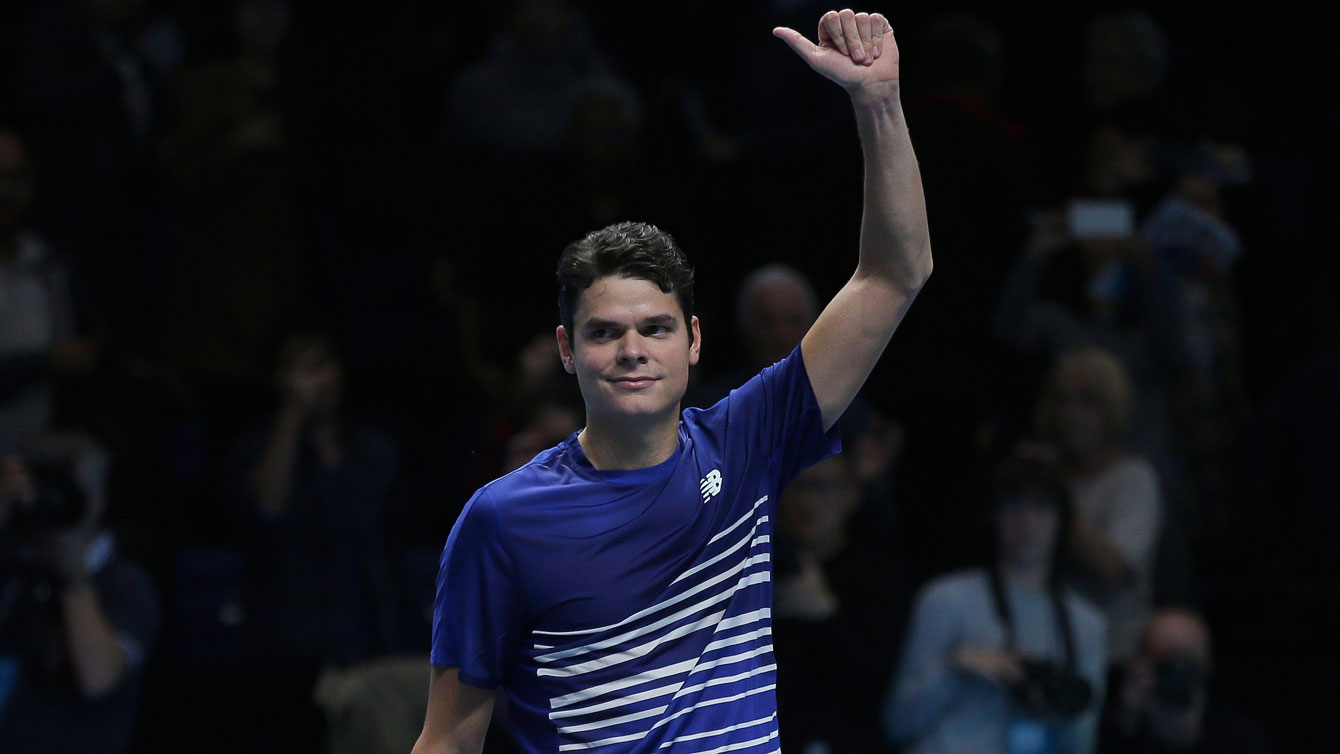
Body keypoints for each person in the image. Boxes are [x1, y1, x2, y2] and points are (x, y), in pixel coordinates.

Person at [415, 9, 933, 754]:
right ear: (567, 349)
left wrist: (879, 103)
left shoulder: (748, 439)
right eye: (604, 332)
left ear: (693, 342)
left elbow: (894, 274)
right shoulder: (502, 521)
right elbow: (447, 741)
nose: (632, 350)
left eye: (655, 329)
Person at [883, 450, 1107, 754]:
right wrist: (959, 669)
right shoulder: (945, 598)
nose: (1026, 521)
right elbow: (898, 723)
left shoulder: (1086, 623)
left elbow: (1083, 745)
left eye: (1041, 507)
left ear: (1061, 520)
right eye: (1013, 506)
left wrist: (1056, 707)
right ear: (993, 517)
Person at [0, 433, 160, 754]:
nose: (50, 499)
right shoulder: (15, 570)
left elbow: (99, 679)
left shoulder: (125, 583)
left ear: (97, 499)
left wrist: (73, 574)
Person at [1033, 347, 1163, 664]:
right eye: (1062, 400)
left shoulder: (1134, 479)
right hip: (1041, 646)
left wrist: (1047, 490)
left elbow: (1114, 568)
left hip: (1110, 653)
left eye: (1088, 402)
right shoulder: (1039, 469)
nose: (1072, 414)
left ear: (1112, 409)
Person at [1098, 608, 1272, 754]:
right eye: (1164, 662)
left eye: (1186, 660)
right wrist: (1125, 722)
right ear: (1140, 664)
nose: (1176, 672)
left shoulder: (1239, 734)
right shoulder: (1115, 727)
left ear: (1206, 665)